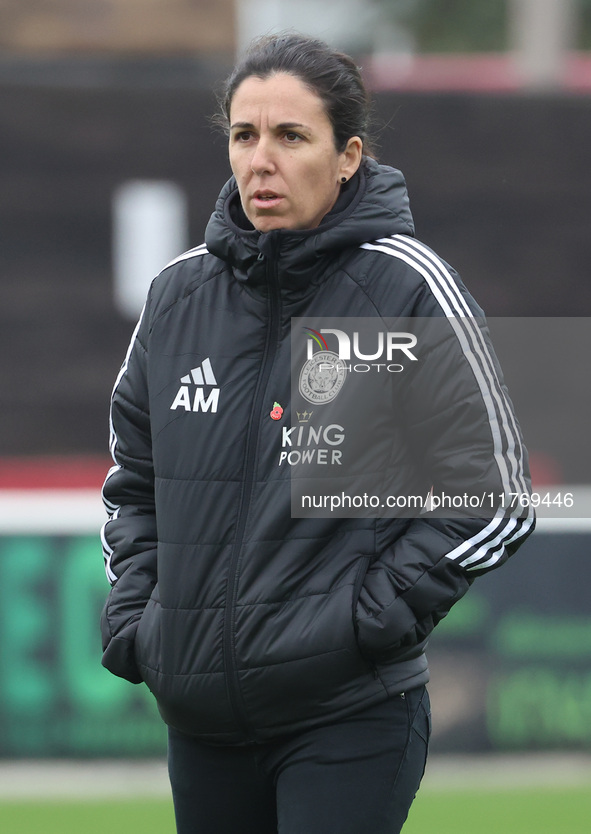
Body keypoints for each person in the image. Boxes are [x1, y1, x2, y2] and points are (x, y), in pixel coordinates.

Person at [100, 32, 535, 834]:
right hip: (202, 721)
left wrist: (361, 625)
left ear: (347, 157)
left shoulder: (406, 287)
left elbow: (495, 499)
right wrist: (143, 621)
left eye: (290, 136)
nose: (260, 160)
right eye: (244, 135)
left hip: (347, 716)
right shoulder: (177, 295)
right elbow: (133, 482)